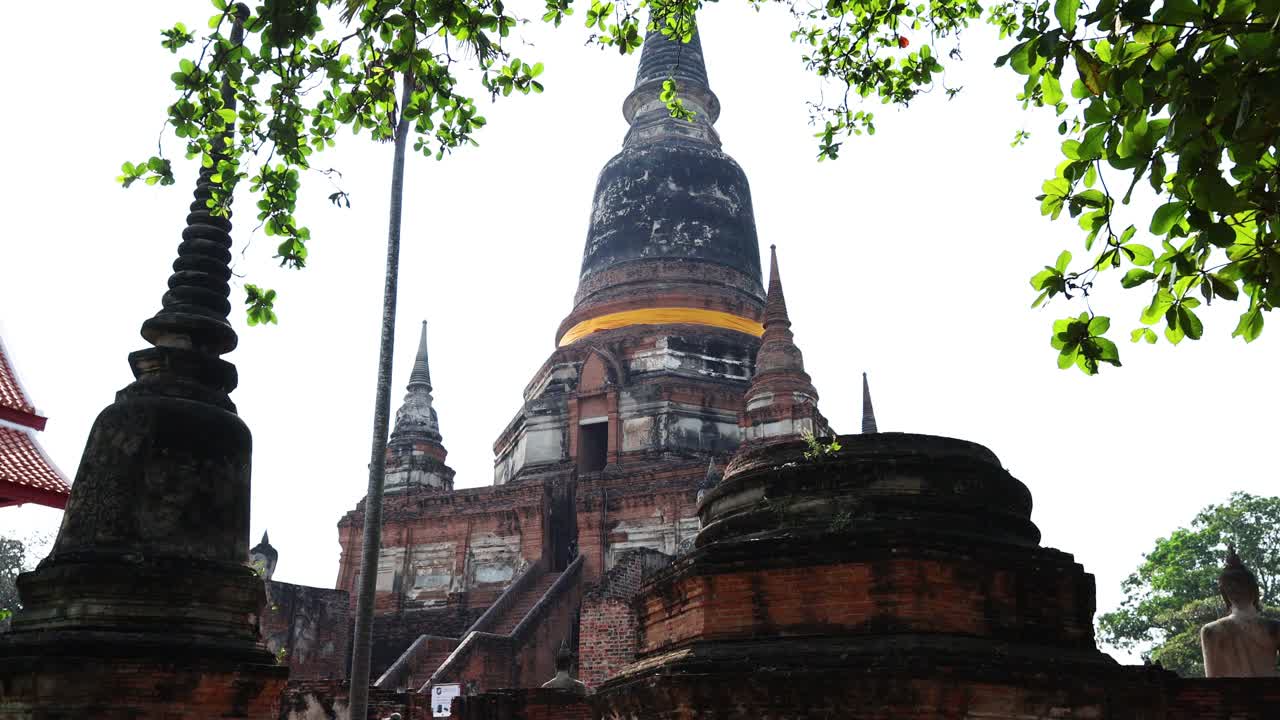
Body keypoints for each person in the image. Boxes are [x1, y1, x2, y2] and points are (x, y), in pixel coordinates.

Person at [1200, 545, 1280, 677]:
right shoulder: (1274, 628)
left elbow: (1212, 681)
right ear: (1254, 590)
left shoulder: (1211, 630)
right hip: (1268, 695)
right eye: (1231, 587)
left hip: (1231, 696)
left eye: (1238, 585)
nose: (1235, 590)